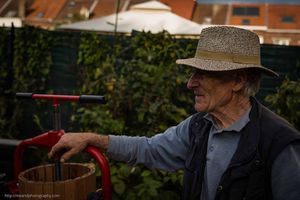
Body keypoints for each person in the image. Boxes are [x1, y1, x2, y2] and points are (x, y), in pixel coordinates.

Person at [49, 26, 300, 200]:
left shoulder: (279, 144)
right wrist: (92, 139)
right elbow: (150, 149)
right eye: (192, 74)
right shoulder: (200, 125)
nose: (190, 83)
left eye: (202, 73)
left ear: (237, 80)